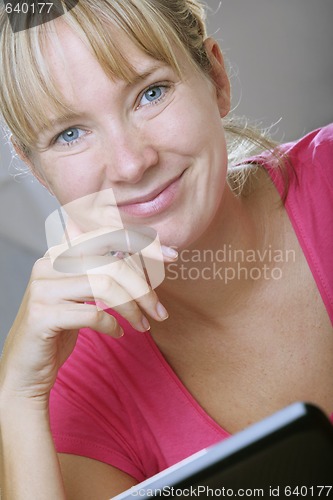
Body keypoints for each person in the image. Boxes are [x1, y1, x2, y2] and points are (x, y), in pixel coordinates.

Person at [0, 1, 332, 498]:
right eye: (70, 133)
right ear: (38, 169)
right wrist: (17, 398)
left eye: (150, 94)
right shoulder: (78, 384)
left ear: (216, 78)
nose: (131, 164)